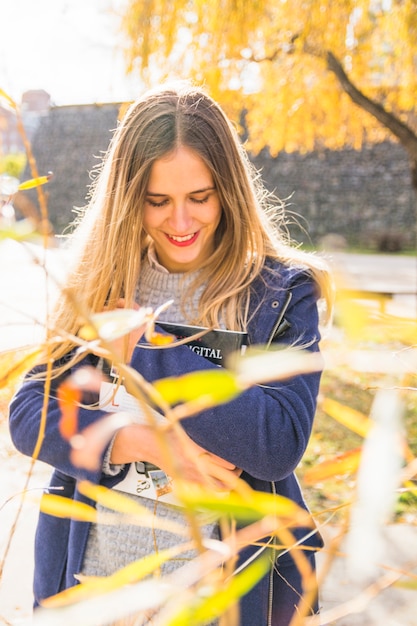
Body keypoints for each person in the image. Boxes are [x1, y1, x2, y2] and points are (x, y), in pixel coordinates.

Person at [9, 82, 333, 626]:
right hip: (93, 591)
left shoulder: (278, 293)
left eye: (199, 198)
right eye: (157, 202)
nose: (180, 223)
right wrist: (145, 444)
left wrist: (146, 350)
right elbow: (28, 417)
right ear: (126, 197)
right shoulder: (99, 282)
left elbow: (276, 443)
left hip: (222, 604)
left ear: (228, 190)